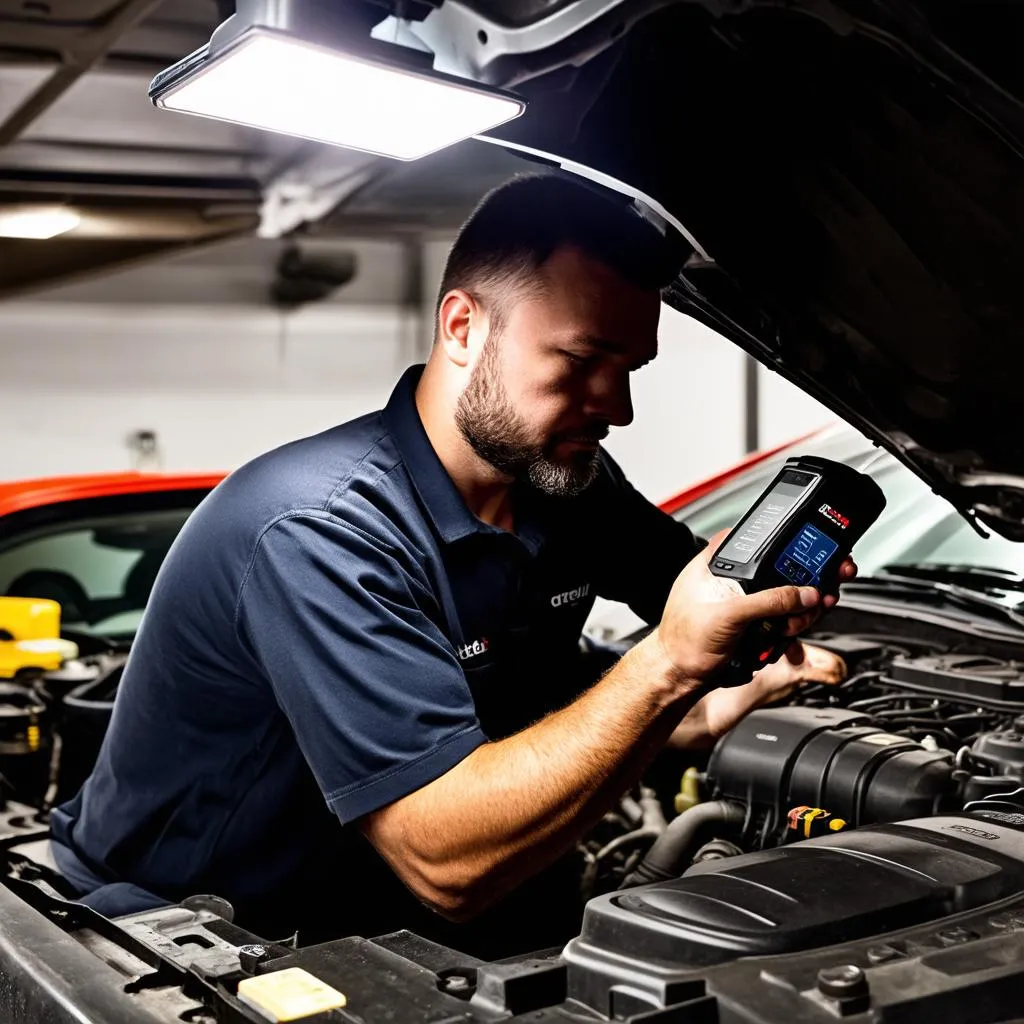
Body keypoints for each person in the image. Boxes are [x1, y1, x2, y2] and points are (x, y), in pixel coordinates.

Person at [50, 174, 851, 956]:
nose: (618, 406)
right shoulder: (319, 529)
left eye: (630, 369)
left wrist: (738, 651)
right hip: (194, 937)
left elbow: (699, 594)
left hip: (404, 912)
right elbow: (449, 862)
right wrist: (671, 668)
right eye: (580, 360)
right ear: (463, 327)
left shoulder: (566, 482)